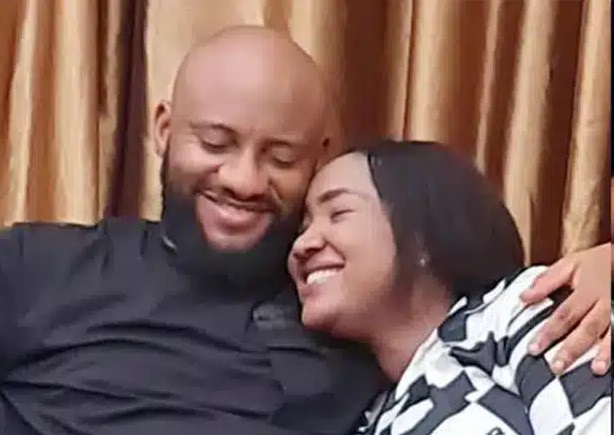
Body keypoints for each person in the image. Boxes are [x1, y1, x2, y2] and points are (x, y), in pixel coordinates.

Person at [0, 26, 609, 434]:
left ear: (320, 157)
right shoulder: (40, 266)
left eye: (281, 157)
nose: (243, 179)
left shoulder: (351, 312)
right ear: (164, 130)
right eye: (215, 143)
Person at [288, 140, 611, 434]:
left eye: (338, 213)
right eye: (302, 228)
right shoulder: (365, 418)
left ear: (420, 239)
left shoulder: (520, 307)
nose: (303, 244)